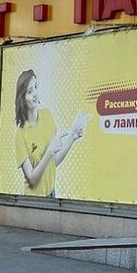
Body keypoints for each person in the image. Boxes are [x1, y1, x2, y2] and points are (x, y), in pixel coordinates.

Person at [14, 69, 90, 198]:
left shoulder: (47, 115)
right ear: (22, 99)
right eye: (30, 91)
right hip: (33, 200)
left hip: (51, 194)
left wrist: (73, 136)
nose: (35, 93)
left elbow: (53, 162)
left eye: (36, 87)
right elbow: (32, 180)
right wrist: (49, 151)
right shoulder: (20, 134)